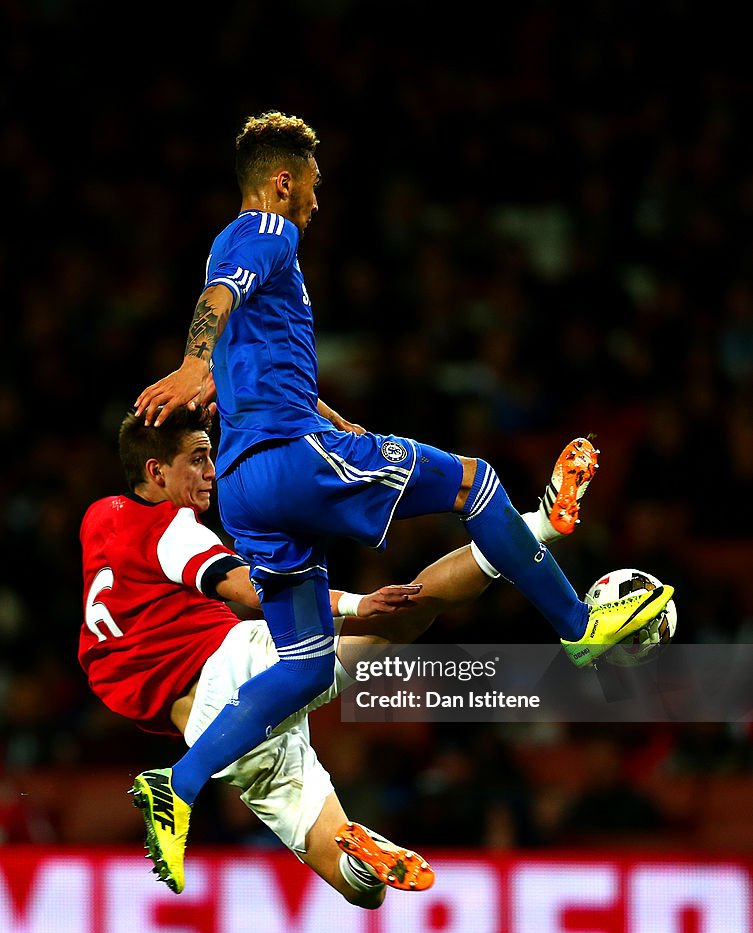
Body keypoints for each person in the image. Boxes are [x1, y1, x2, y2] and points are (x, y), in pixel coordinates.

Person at [132, 110, 673, 893]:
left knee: (308, 665)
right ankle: (579, 629)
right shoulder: (265, 230)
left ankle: (176, 787)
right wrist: (189, 363)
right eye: (312, 185)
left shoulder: (240, 252)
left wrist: (335, 419)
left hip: (248, 489)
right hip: (291, 461)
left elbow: (261, 359)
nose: (317, 200)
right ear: (284, 180)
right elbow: (218, 298)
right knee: (475, 481)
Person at [80, 409, 599, 898]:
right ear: (155, 470)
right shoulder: (172, 531)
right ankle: (538, 526)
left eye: (210, 455)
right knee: (401, 616)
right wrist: (354, 604)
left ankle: (360, 860)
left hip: (219, 731)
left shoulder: (98, 519)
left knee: (358, 891)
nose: (212, 471)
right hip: (235, 668)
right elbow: (244, 588)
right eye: (197, 459)